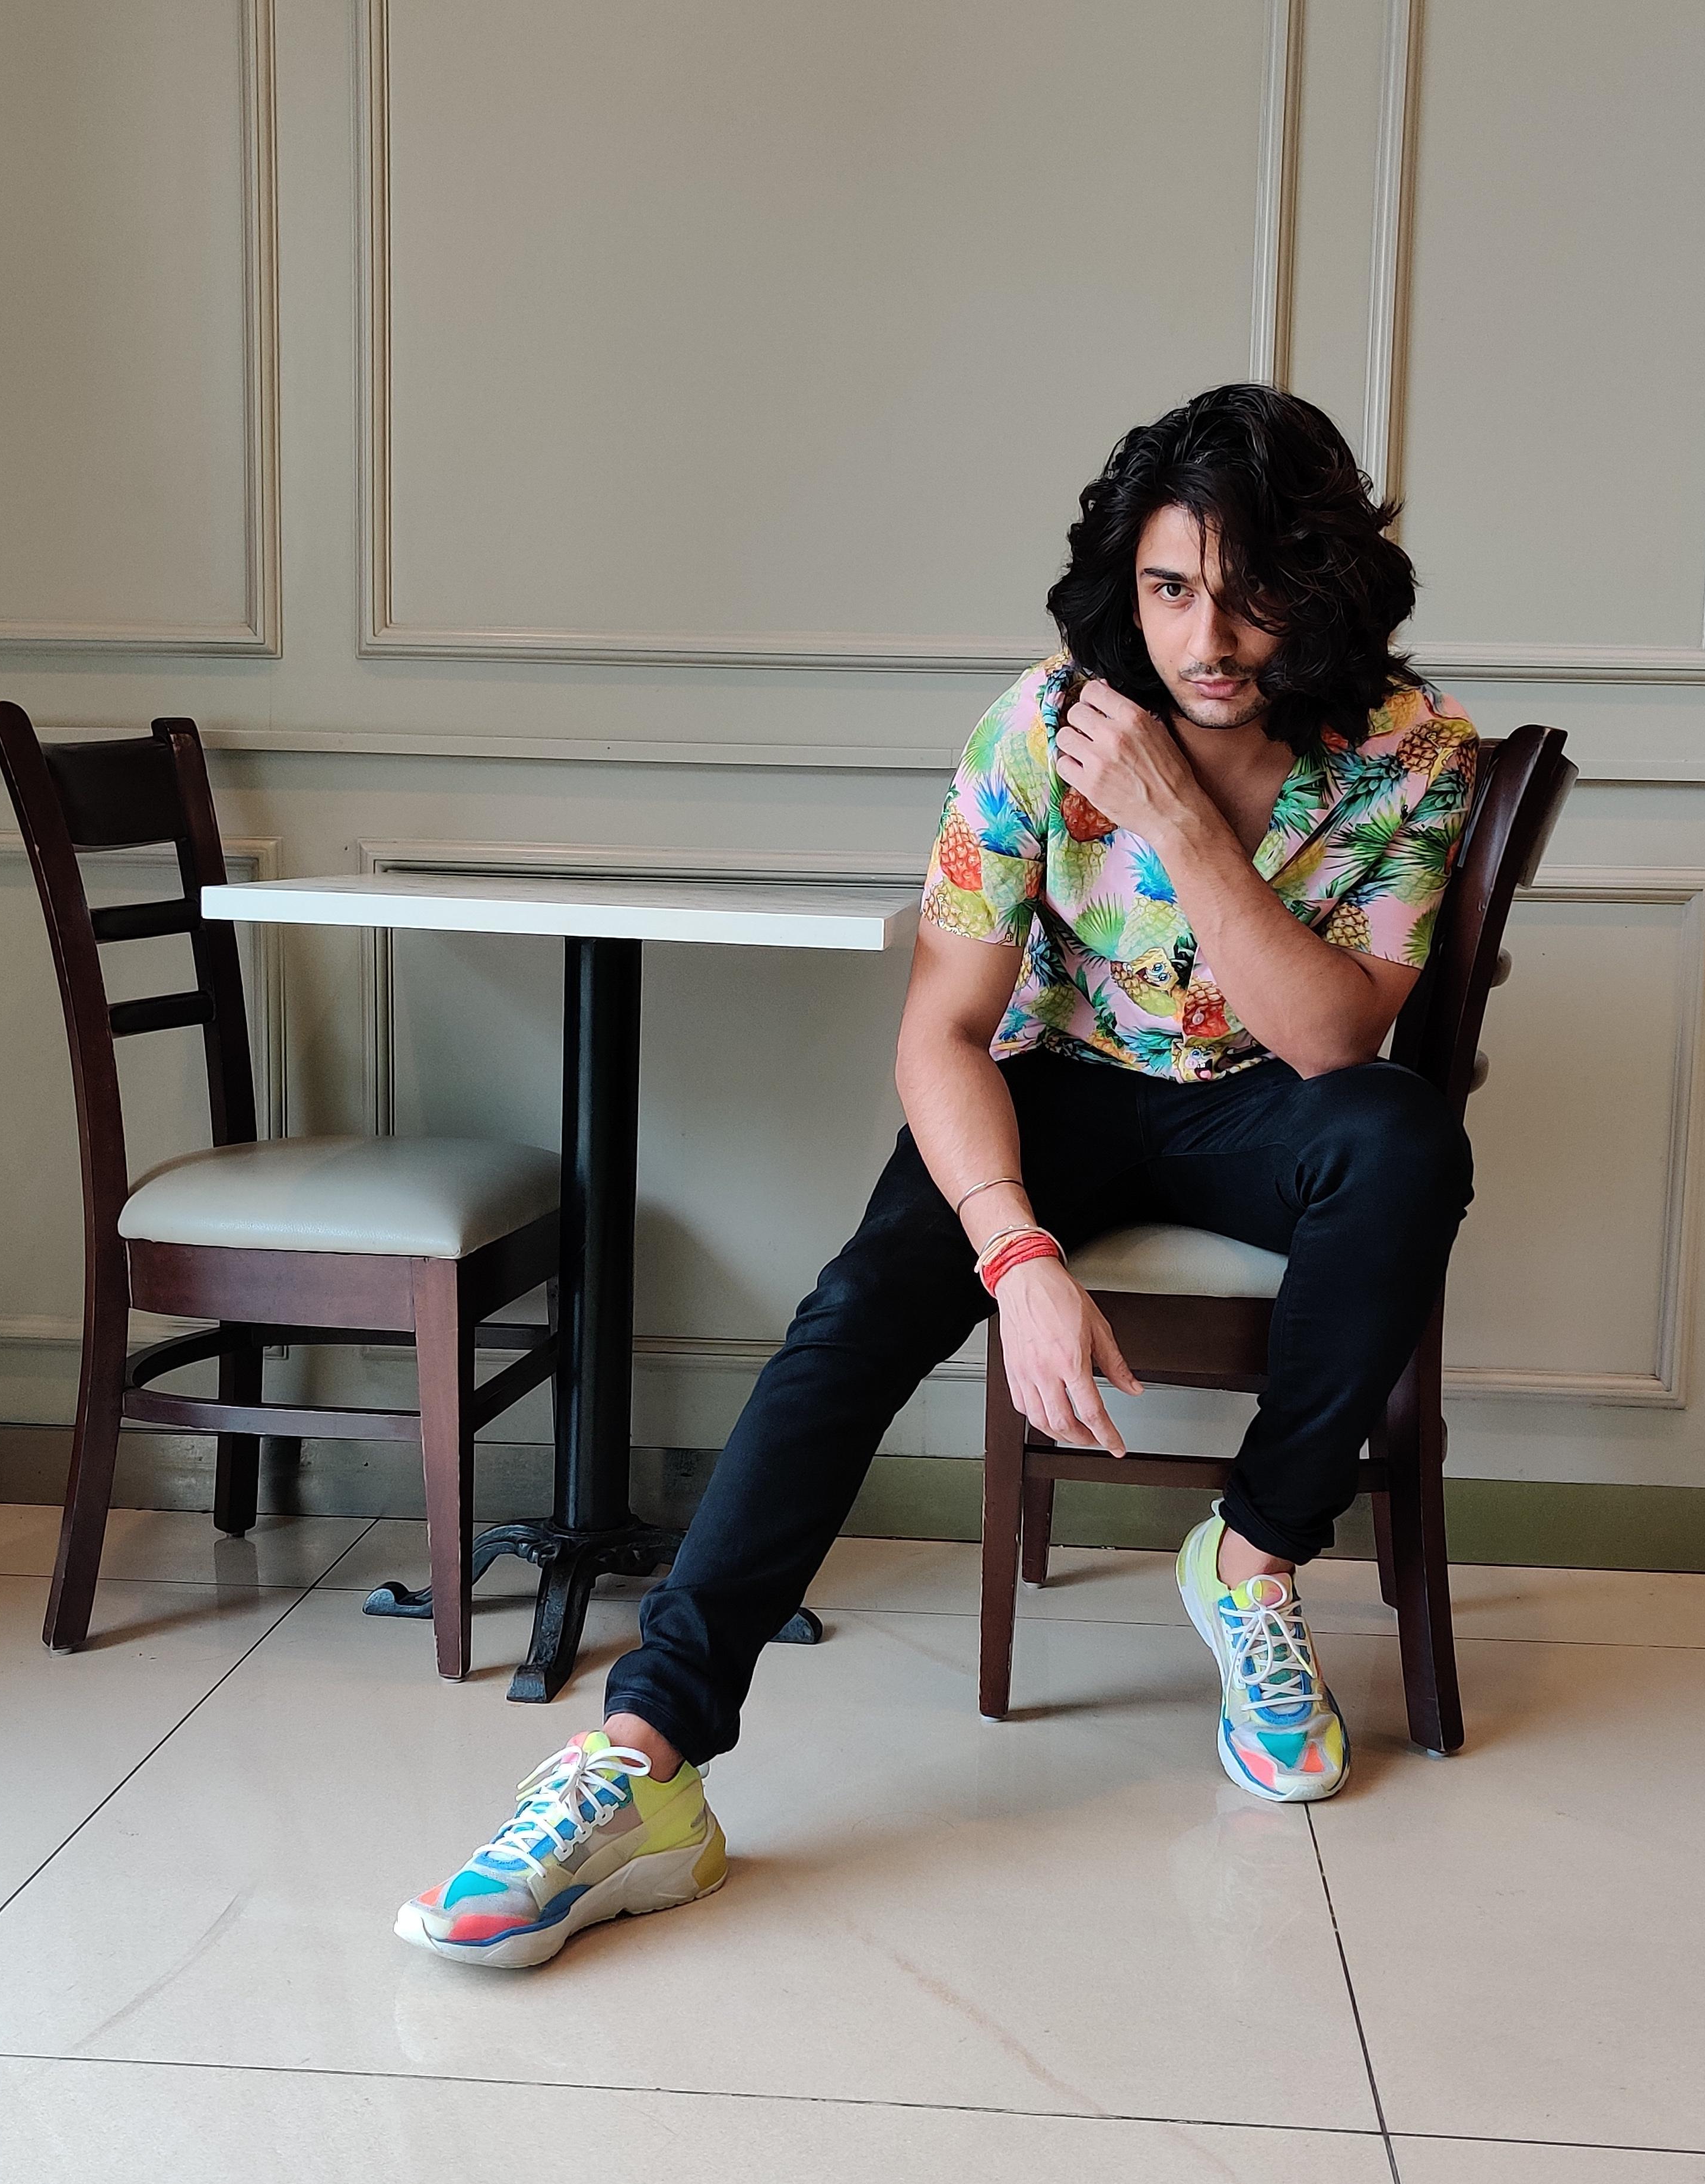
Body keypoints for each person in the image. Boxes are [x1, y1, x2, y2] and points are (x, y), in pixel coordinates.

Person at [396, 383, 1480, 1969]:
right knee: (853, 1315)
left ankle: (1250, 1561)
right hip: (1054, 1092)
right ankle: (645, 1767)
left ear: (1322, 583)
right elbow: (943, 1032)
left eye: (1252, 592)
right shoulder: (1038, 727)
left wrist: (1180, 825)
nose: (1208, 638)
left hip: (1268, 1105)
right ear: (1127, 583)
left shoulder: (1409, 747)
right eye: (1171, 588)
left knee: (1403, 1138)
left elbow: (1332, 1039)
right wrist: (1016, 1257)